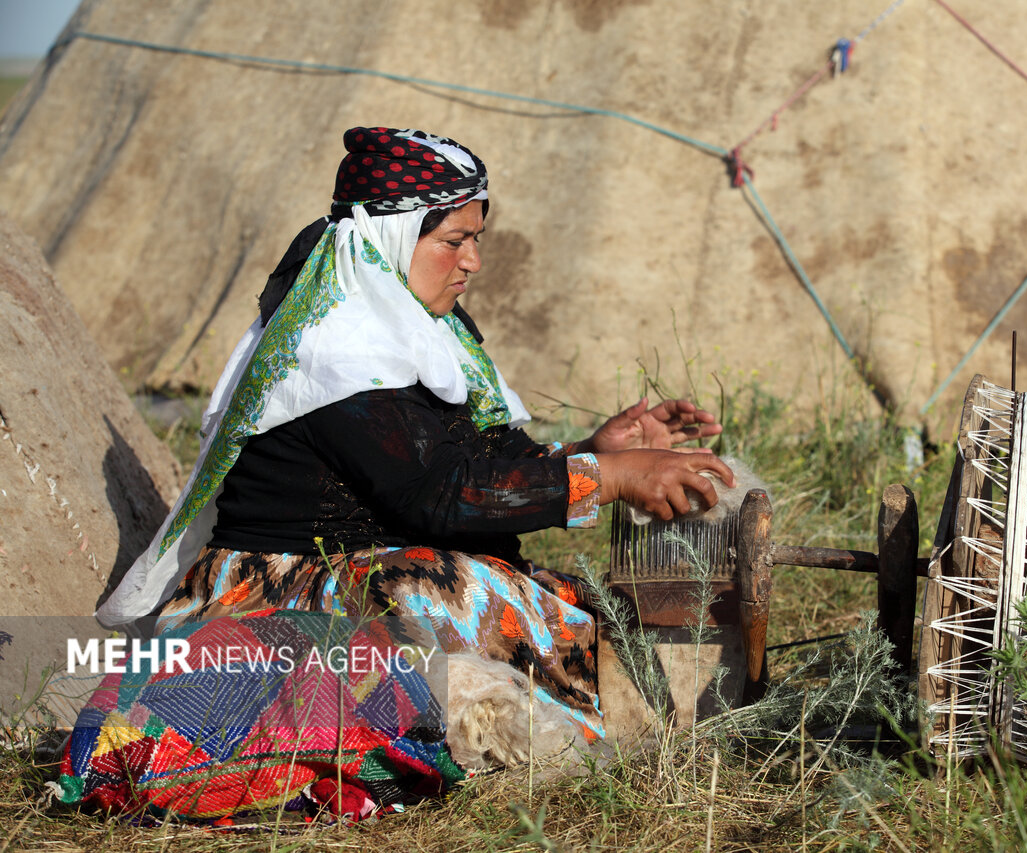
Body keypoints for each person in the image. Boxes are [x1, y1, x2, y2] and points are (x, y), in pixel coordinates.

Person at [62, 127, 733, 819]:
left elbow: (477, 467)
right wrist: (611, 476)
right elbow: (440, 496)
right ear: (392, 236)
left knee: (533, 596)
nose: (472, 261)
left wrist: (590, 449)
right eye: (452, 241)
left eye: (476, 239)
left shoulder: (417, 328)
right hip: (288, 593)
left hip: (376, 565)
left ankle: (588, 706)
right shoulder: (336, 344)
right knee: (431, 588)